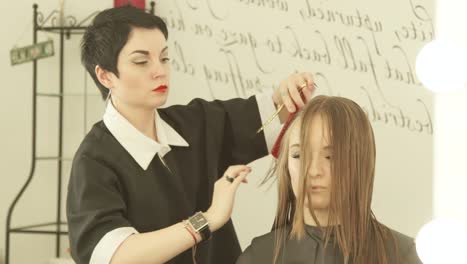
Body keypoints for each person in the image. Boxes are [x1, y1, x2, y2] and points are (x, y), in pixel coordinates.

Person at [66, 5, 315, 264]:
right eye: (141, 61)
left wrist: (289, 91)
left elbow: (272, 115)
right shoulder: (94, 161)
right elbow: (115, 256)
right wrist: (207, 219)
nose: (159, 70)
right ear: (105, 75)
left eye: (164, 58)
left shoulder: (195, 122)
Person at [237, 96, 422, 264]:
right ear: (285, 165)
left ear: (360, 162)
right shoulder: (259, 257)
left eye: (331, 157)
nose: (313, 170)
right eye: (298, 155)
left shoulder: (402, 255)